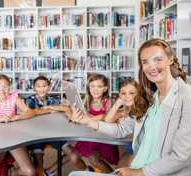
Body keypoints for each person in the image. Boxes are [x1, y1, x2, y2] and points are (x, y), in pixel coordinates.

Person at [69, 39, 191, 176]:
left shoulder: (187, 97)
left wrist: (139, 172)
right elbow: (122, 129)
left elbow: (181, 156)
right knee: (74, 174)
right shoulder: (150, 98)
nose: (151, 66)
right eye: (145, 62)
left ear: (170, 59)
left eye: (157, 59)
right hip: (137, 167)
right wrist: (87, 121)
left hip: (152, 172)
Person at [0, 74, 41, 176]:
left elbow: (30, 112)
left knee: (30, 171)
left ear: (9, 88)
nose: (2, 90)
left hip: (14, 138)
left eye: (5, 87)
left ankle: (12, 172)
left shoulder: (13, 97)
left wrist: (16, 117)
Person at [104, 79, 147, 168]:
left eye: (131, 93)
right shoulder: (126, 110)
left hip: (140, 149)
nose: (127, 96)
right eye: (123, 93)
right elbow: (107, 120)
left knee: (127, 169)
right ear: (119, 95)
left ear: (138, 94)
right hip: (130, 147)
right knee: (119, 169)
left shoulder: (142, 110)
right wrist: (118, 102)